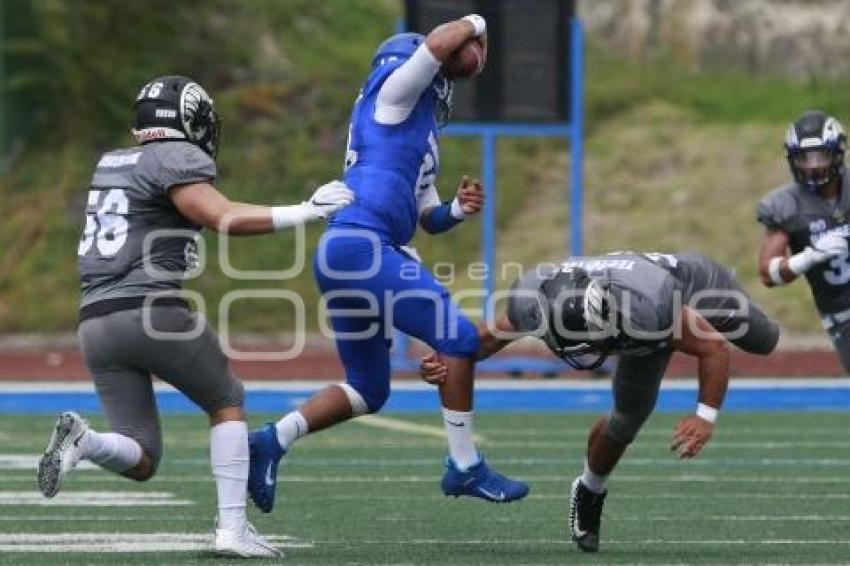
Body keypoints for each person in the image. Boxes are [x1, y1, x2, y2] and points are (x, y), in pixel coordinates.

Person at [36, 75, 353, 558]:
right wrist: (307, 209)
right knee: (227, 399)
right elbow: (220, 215)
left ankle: (85, 440)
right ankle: (232, 531)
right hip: (150, 310)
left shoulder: (113, 162)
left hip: (95, 323)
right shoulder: (174, 156)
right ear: (185, 119)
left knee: (141, 457)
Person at [247, 15, 529, 514]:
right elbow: (443, 44)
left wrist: (457, 211)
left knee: (368, 389)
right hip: (362, 246)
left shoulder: (415, 136)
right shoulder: (393, 96)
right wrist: (480, 20)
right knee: (461, 340)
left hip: (349, 251)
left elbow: (427, 217)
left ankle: (272, 439)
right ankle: (464, 466)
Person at [420, 251, 780, 553]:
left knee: (765, 340)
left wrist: (705, 415)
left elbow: (713, 346)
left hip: (694, 286)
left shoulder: (649, 307)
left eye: (592, 342)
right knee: (627, 419)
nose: (589, 352)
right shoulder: (531, 305)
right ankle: (590, 489)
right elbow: (470, 347)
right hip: (634, 313)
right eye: (579, 344)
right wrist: (441, 363)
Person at [756, 110, 850, 369]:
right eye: (804, 158)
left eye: (821, 156)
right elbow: (768, 274)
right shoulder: (787, 205)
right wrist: (809, 257)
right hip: (843, 315)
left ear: (838, 153)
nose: (813, 165)